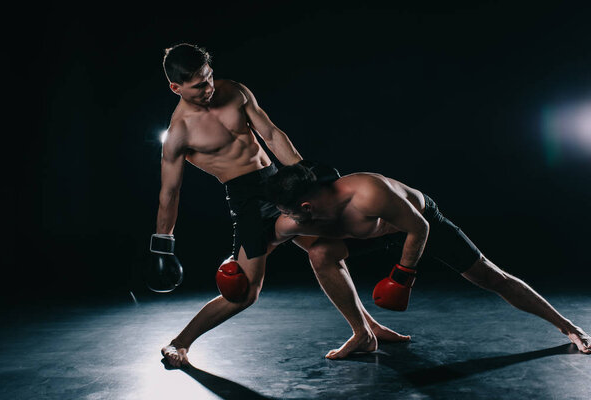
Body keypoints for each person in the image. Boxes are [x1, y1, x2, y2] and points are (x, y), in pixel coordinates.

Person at [152, 43, 405, 367]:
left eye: (210, 77)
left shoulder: (235, 92)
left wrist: (305, 177)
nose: (210, 87)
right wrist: (163, 243)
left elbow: (271, 135)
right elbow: (169, 193)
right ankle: (180, 343)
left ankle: (366, 331)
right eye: (199, 85)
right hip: (248, 204)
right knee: (243, 292)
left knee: (326, 251)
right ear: (176, 88)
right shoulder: (179, 133)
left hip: (278, 185)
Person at [266, 162, 591, 356]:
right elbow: (266, 241)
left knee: (492, 278)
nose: (288, 219)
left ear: (306, 207)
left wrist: (403, 276)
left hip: (421, 225)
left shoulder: (368, 193)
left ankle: (568, 328)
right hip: (374, 234)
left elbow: (418, 228)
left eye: (289, 212)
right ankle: (364, 334)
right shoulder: (297, 218)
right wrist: (234, 263)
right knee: (321, 252)